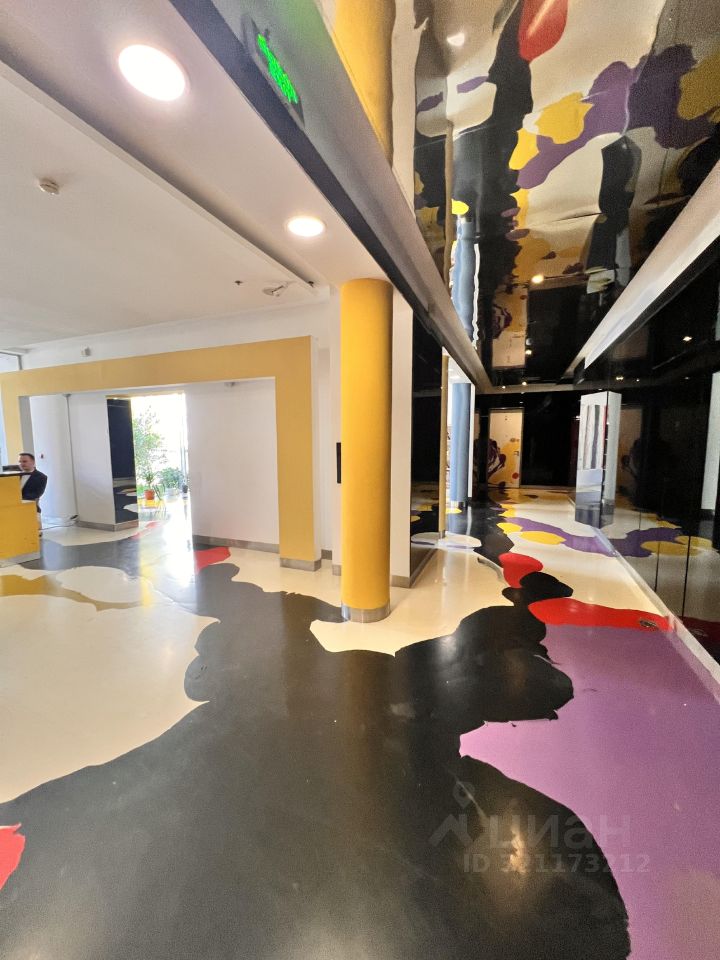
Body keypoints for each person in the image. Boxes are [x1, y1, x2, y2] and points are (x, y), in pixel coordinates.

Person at [18, 452, 47, 531]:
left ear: (33, 462)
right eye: (20, 462)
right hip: (15, 507)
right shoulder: (15, 476)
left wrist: (19, 500)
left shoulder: (41, 477)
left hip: (30, 507)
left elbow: (37, 493)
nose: (21, 464)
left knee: (33, 532)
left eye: (24, 461)